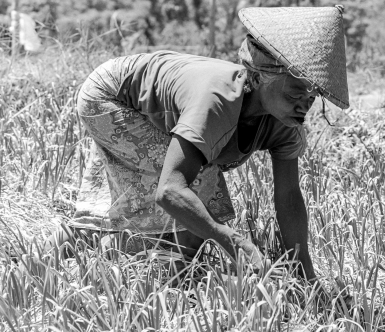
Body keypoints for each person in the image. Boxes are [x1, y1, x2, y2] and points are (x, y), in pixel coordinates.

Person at [45, 6, 349, 283]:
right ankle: (83, 245)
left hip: (150, 100)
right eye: (298, 90)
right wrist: (238, 244)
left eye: (313, 94)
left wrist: (305, 274)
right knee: (200, 189)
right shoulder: (217, 102)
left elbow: (289, 196)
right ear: (258, 78)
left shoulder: (286, 123)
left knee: (200, 208)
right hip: (111, 96)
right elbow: (170, 190)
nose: (306, 103)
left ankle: (165, 277)